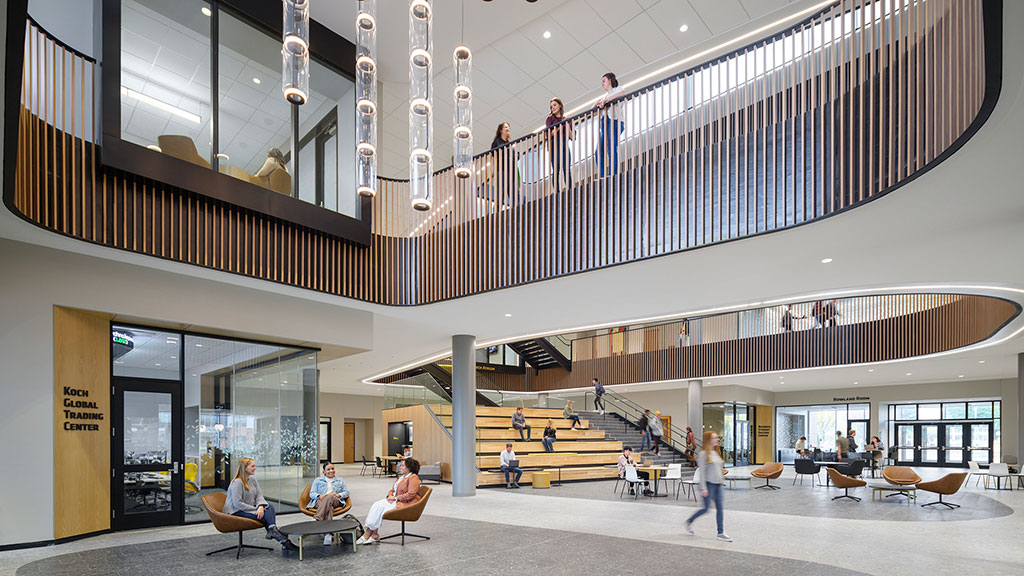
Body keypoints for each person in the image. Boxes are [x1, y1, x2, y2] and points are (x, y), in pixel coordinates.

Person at [223, 457, 299, 552]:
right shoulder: (237, 483)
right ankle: (284, 541)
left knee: (269, 507)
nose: (255, 468)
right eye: (252, 466)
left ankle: (273, 531)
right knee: (265, 517)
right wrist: (256, 509)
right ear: (245, 468)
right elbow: (237, 504)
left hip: (250, 509)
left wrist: (260, 506)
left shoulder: (253, 480)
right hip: (236, 512)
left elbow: (259, 496)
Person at [358, 458, 422, 545]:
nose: (400, 467)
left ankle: (368, 533)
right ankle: (374, 534)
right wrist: (390, 496)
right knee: (376, 505)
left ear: (409, 468)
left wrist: (395, 498)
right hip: (395, 500)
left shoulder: (413, 478)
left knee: (380, 508)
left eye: (403, 465)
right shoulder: (402, 477)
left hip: (405, 503)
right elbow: (392, 489)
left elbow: (411, 494)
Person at [684, 431, 731, 542]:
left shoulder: (715, 453)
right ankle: (689, 521)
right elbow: (702, 472)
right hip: (709, 485)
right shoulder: (703, 454)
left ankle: (720, 532)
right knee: (706, 509)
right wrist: (704, 488)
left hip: (718, 485)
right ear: (709, 440)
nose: (717, 440)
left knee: (720, 508)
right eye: (715, 438)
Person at [308, 462, 351, 544]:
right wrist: (319, 496)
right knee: (329, 507)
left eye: (332, 469)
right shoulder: (318, 480)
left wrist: (338, 495)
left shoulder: (340, 480)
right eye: (328, 469)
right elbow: (312, 493)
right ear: (323, 471)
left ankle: (317, 518)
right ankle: (328, 534)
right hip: (320, 501)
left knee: (330, 496)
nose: (331, 471)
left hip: (336, 500)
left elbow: (346, 492)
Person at [594, 72, 625, 177]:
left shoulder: (617, 90)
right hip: (605, 124)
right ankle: (603, 175)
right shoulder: (603, 97)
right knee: (598, 152)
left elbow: (622, 94)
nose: (602, 83)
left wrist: (606, 101)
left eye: (604, 81)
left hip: (614, 121)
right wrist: (596, 103)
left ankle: (613, 173)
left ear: (610, 80)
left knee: (611, 148)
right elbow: (594, 110)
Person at [545, 97, 574, 191]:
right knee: (556, 170)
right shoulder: (550, 118)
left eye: (554, 105)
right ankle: (557, 192)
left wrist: (567, 124)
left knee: (566, 169)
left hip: (565, 143)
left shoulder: (566, 119)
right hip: (555, 143)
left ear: (560, 105)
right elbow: (549, 135)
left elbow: (573, 137)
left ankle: (570, 189)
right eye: (551, 106)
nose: (552, 108)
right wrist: (560, 126)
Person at [489, 121, 517, 205]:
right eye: (506, 127)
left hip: (510, 170)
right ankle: (496, 212)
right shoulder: (497, 142)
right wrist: (493, 170)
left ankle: (517, 208)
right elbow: (493, 157)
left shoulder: (509, 144)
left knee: (513, 192)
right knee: (501, 192)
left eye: (508, 127)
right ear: (501, 130)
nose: (508, 128)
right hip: (501, 169)